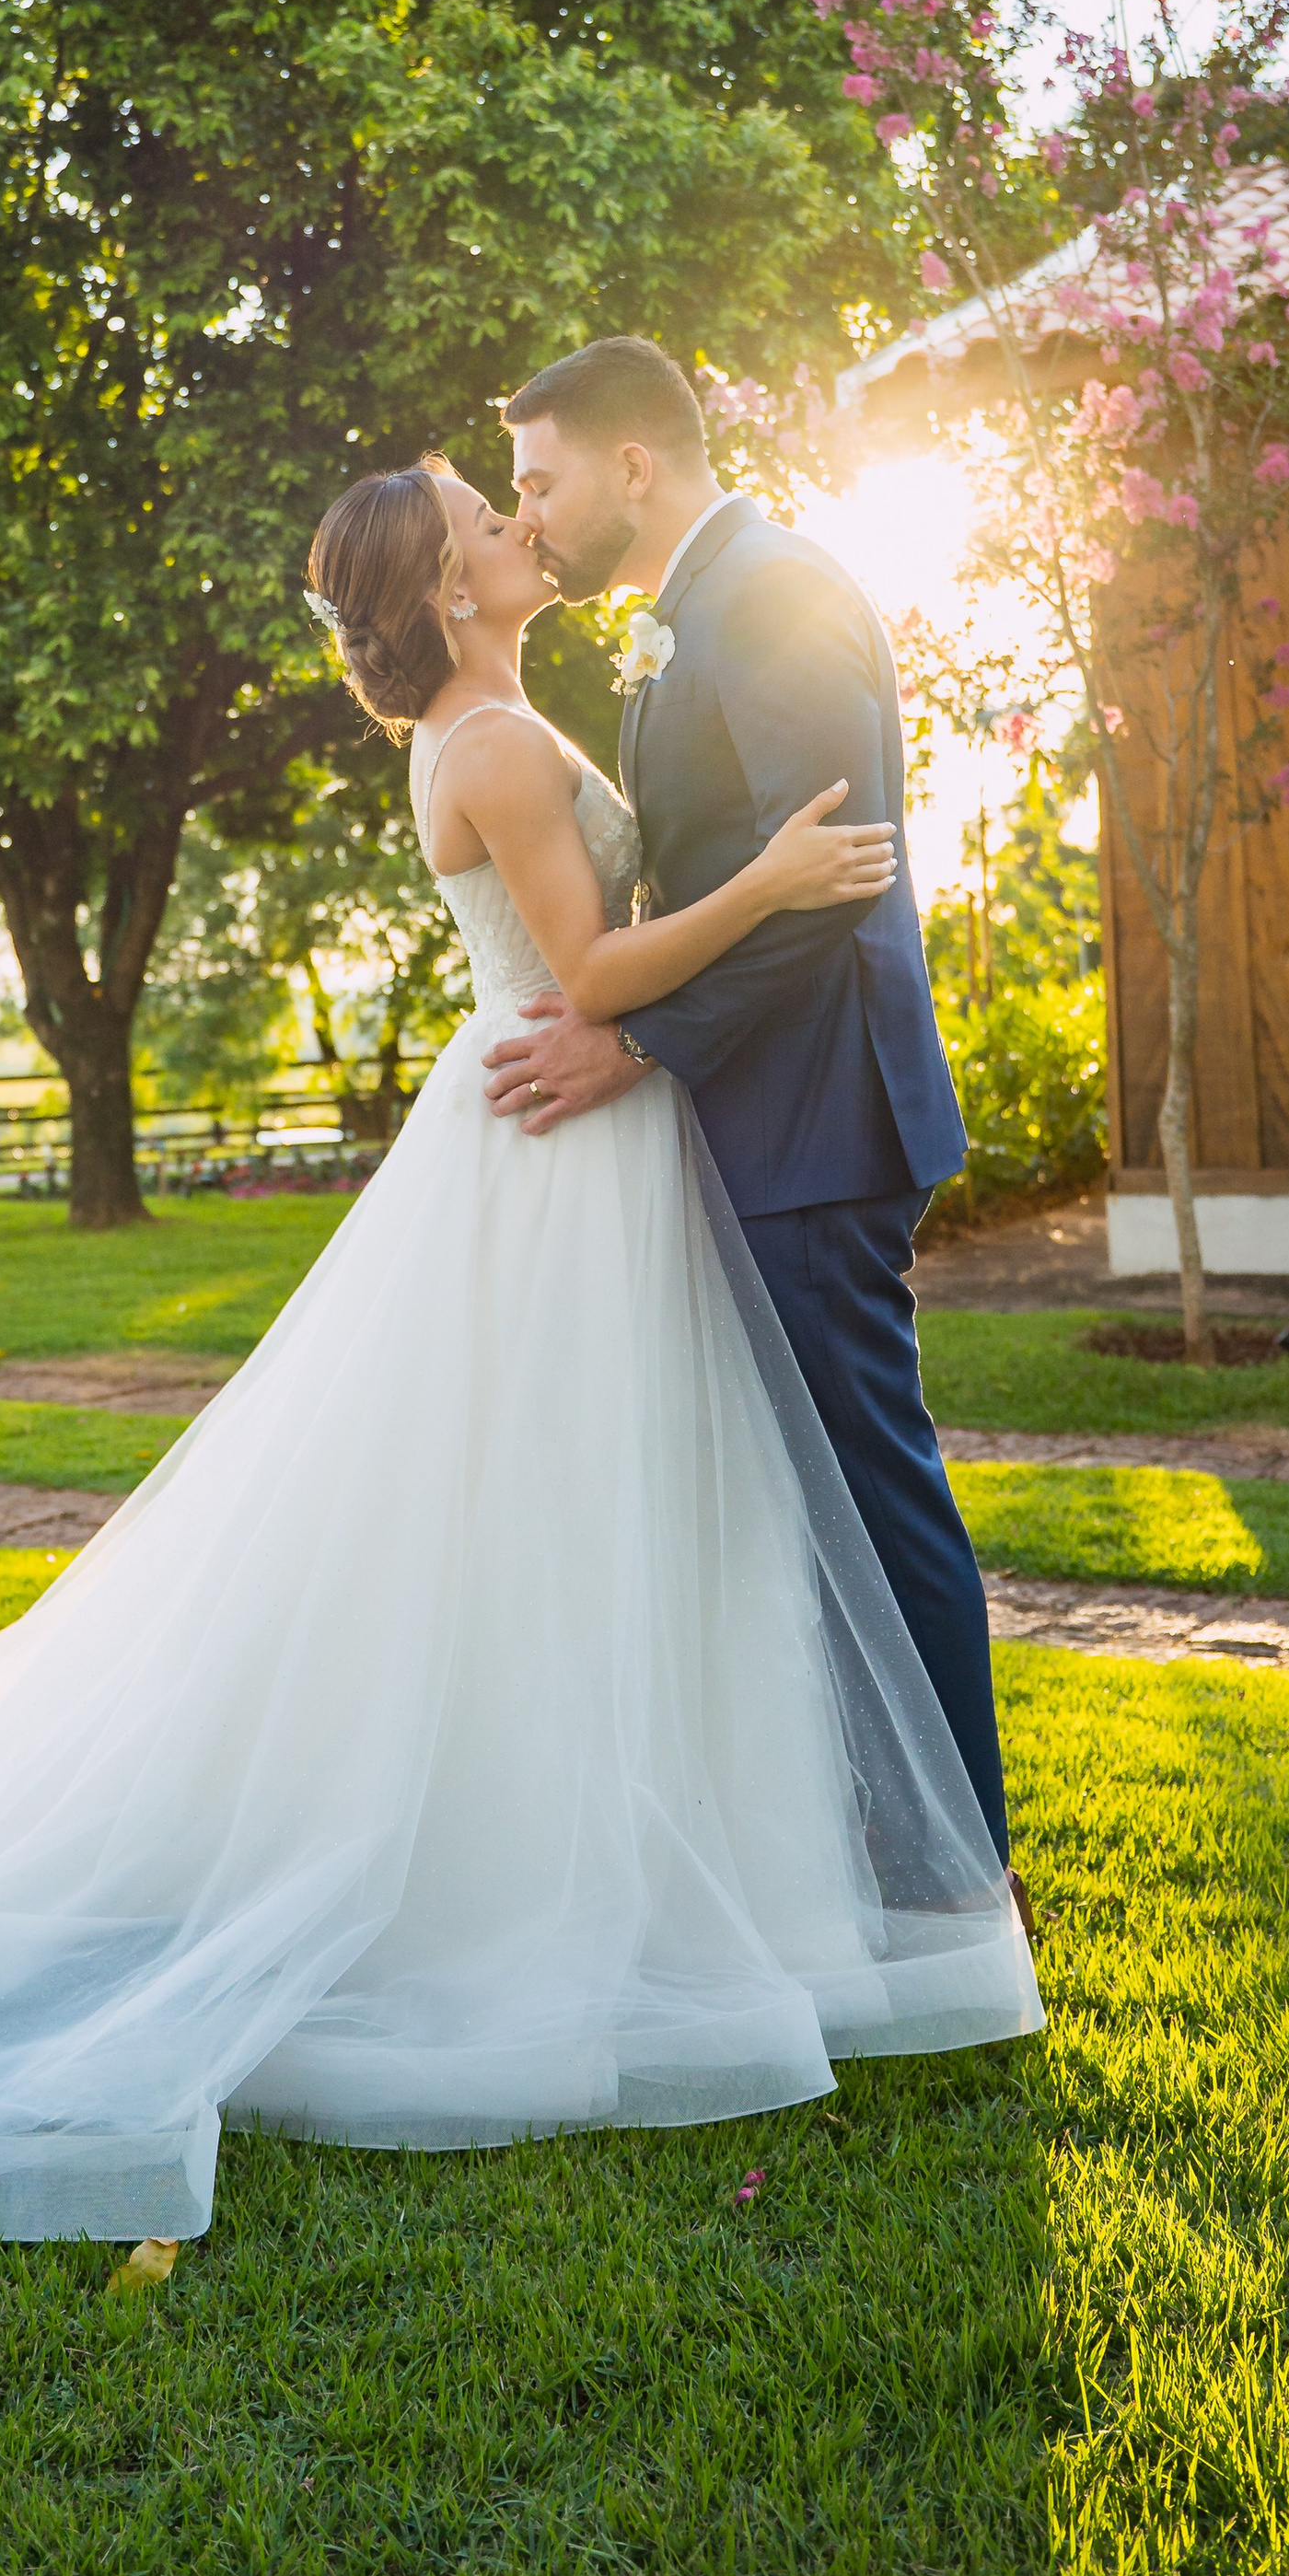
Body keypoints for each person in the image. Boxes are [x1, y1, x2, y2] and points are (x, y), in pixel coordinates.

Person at [0, 450, 1039, 2246]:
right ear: (449, 593)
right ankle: (544, 1885)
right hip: (557, 1149)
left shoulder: (505, 715)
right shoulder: (479, 745)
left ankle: (694, 1867)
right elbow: (597, 977)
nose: (513, 525)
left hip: (588, 1149)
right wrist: (775, 880)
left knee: (604, 1518)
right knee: (549, 1507)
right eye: (486, 519)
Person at [482, 336, 1021, 1905]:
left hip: (815, 1121)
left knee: (868, 1491)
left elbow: (818, 893)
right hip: (765, 1114)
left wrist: (632, 1040)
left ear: (630, 467)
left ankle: (956, 1881)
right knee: (807, 1502)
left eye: (542, 480)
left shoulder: (768, 591)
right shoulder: (693, 608)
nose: (531, 516)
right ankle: (862, 1844)